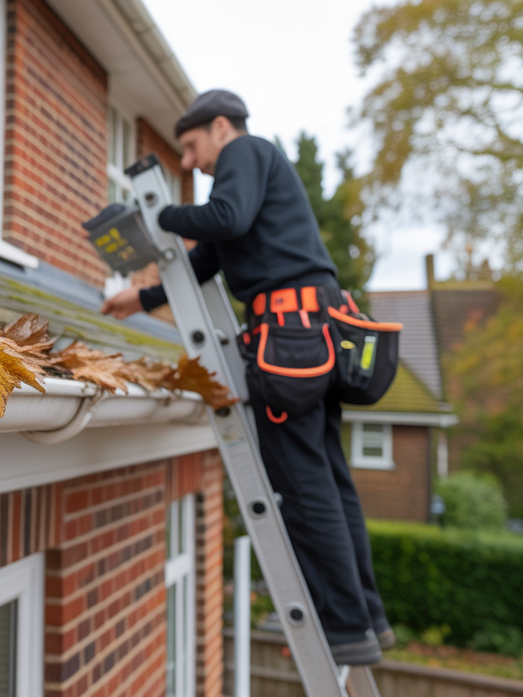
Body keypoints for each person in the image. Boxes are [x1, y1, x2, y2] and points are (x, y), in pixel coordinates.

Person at [101, 90, 392, 666]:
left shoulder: (246, 153)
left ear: (220, 128)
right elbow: (210, 258)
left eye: (189, 147)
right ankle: (365, 619)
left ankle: (342, 626)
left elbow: (222, 219)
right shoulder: (249, 180)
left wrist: (157, 217)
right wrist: (143, 298)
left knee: (305, 487)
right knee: (329, 479)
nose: (188, 162)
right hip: (312, 330)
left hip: (290, 337)